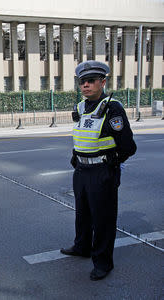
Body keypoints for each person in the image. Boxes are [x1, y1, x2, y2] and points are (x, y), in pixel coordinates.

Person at [61, 61, 137, 281]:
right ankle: (82, 246)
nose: (85, 85)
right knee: (82, 214)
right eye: (82, 82)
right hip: (82, 171)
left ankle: (103, 263)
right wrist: (77, 160)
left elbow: (128, 146)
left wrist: (110, 165)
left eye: (91, 81)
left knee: (103, 219)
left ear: (102, 82)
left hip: (102, 172)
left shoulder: (112, 108)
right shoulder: (81, 107)